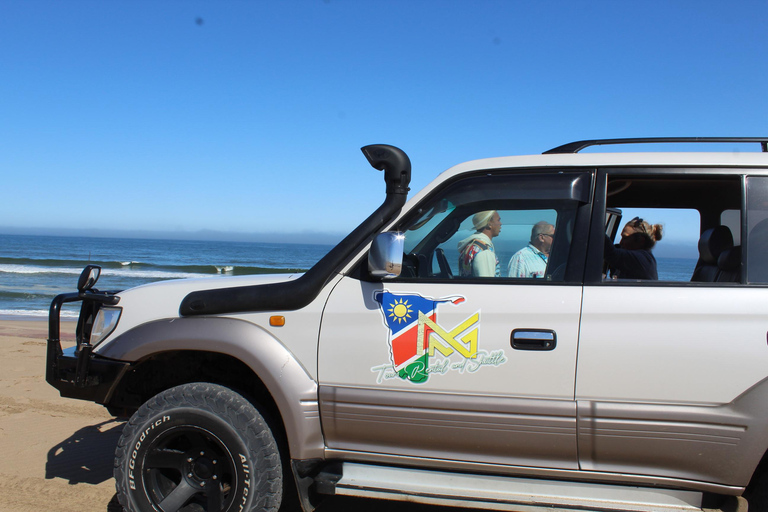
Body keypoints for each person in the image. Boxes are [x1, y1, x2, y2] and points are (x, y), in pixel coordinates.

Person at [457, 210, 501, 277]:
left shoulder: (470, 246)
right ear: (489, 224)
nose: (500, 223)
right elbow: (486, 285)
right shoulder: (484, 252)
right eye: (498, 220)